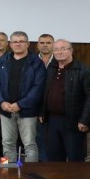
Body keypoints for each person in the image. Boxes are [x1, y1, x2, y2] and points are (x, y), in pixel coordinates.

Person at [40, 39, 90, 162]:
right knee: (54, 157)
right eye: (56, 49)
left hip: (74, 122)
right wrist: (42, 112)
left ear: (71, 51)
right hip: (52, 120)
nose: (59, 52)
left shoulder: (84, 70)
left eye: (63, 49)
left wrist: (85, 120)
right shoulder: (51, 68)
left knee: (75, 158)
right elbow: (45, 92)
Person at [0, 31, 46, 162]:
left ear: (27, 44)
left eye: (21, 41)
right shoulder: (2, 60)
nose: (18, 44)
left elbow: (38, 88)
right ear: (10, 44)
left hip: (27, 111)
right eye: (15, 42)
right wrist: (1, 102)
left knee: (29, 144)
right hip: (6, 110)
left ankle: (30, 173)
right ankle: (7, 172)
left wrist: (20, 104)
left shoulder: (36, 62)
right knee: (7, 143)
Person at [35, 33, 54, 162]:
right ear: (38, 45)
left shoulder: (60, 61)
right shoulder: (32, 60)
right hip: (35, 106)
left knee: (54, 140)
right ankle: (42, 165)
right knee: (39, 138)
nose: (45, 45)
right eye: (42, 43)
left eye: (48, 43)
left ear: (53, 45)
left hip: (55, 107)